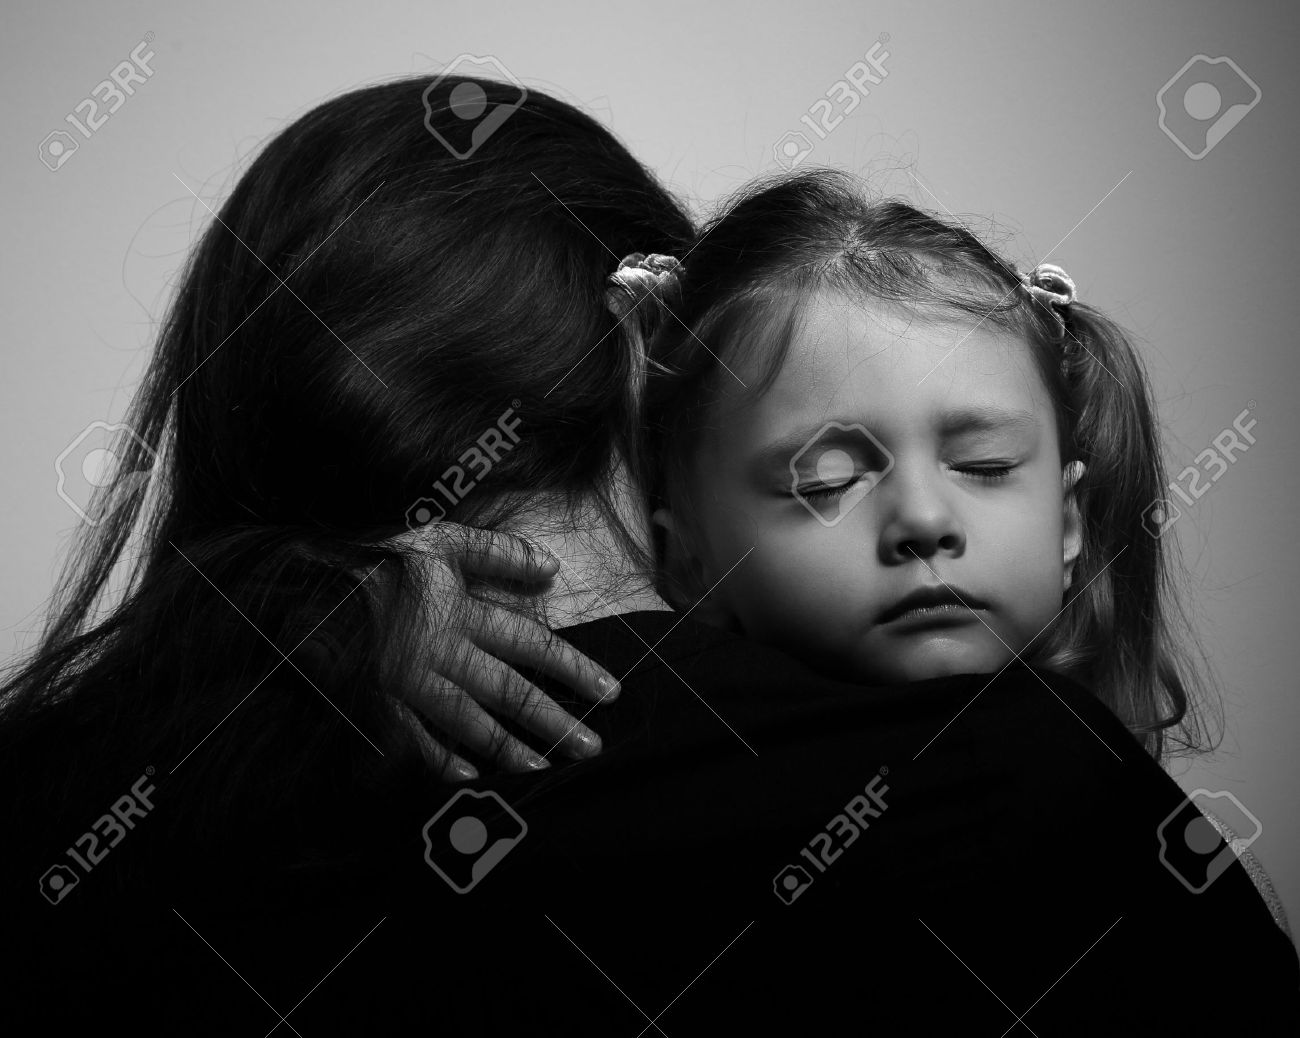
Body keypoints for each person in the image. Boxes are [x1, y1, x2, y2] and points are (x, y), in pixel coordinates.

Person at [3, 80, 1294, 1032]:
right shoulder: (1026, 790)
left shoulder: (69, 823)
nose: (921, 522)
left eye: (982, 461)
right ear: (653, 384)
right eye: (830, 473)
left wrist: (272, 611)